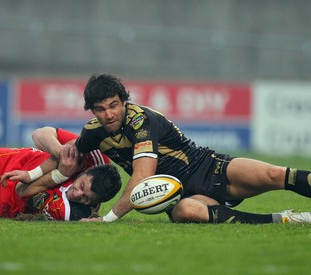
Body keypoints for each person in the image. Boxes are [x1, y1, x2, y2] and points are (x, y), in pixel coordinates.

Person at [32, 73, 311, 224]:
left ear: (124, 101)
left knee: (276, 175)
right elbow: (41, 133)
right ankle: (284, 219)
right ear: (92, 110)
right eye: (100, 109)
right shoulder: (92, 133)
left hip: (207, 168)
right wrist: (44, 165)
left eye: (114, 105)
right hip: (175, 195)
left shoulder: (141, 121)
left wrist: (107, 219)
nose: (109, 114)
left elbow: (141, 176)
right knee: (186, 213)